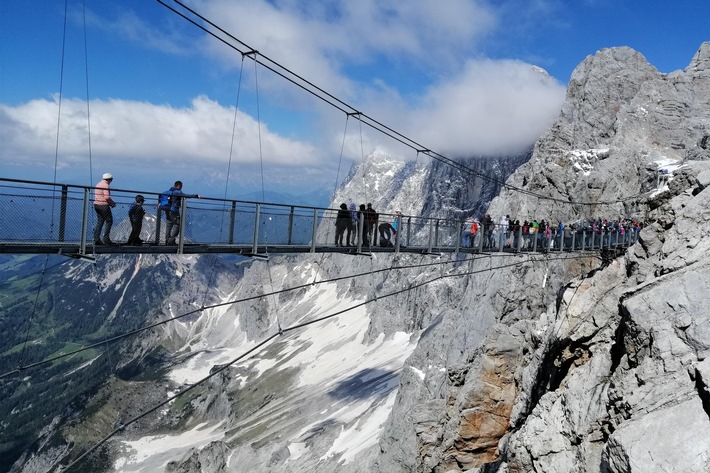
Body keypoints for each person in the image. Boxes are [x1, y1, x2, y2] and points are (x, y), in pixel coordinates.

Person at [160, 180, 200, 245]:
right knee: (178, 224)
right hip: (174, 210)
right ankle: (171, 240)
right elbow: (185, 195)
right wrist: (196, 196)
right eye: (181, 186)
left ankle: (167, 240)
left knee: (169, 225)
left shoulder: (169, 192)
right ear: (178, 186)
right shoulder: (177, 192)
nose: (181, 188)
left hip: (167, 209)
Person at [93, 172, 116, 245]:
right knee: (109, 221)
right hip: (103, 205)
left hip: (96, 204)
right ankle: (106, 239)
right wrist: (112, 203)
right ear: (110, 179)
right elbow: (107, 197)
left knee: (100, 221)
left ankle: (96, 239)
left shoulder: (98, 184)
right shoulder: (106, 185)